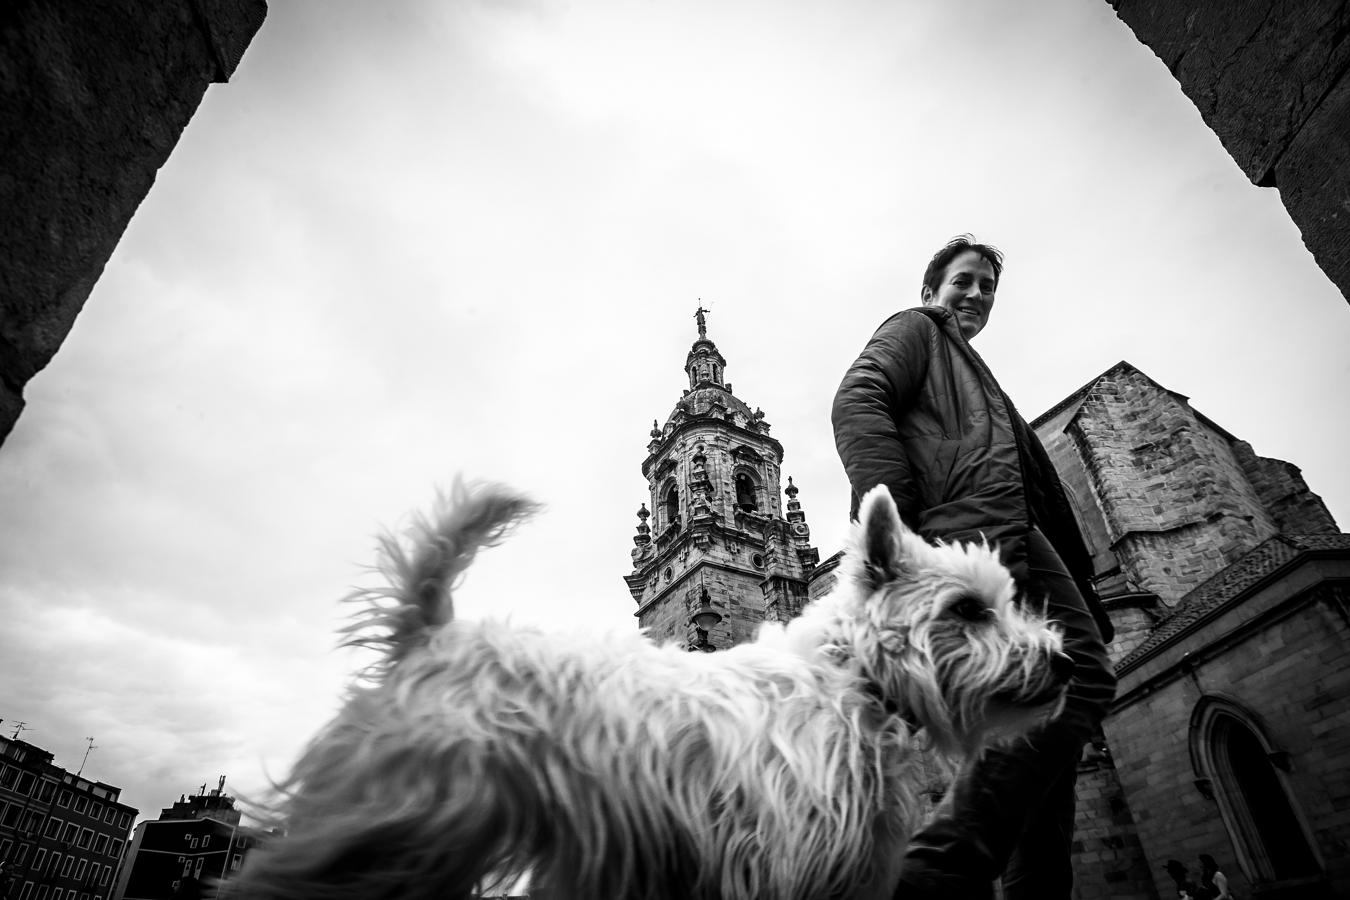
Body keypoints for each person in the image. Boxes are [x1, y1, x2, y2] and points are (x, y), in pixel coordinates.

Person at [831, 235, 1117, 899]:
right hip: (975, 541)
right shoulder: (916, 329)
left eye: (988, 287)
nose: (977, 295)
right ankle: (935, 872)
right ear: (933, 287)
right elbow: (858, 398)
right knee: (1082, 682)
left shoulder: (971, 376)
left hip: (1010, 545)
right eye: (965, 280)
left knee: (1045, 745)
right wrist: (894, 532)